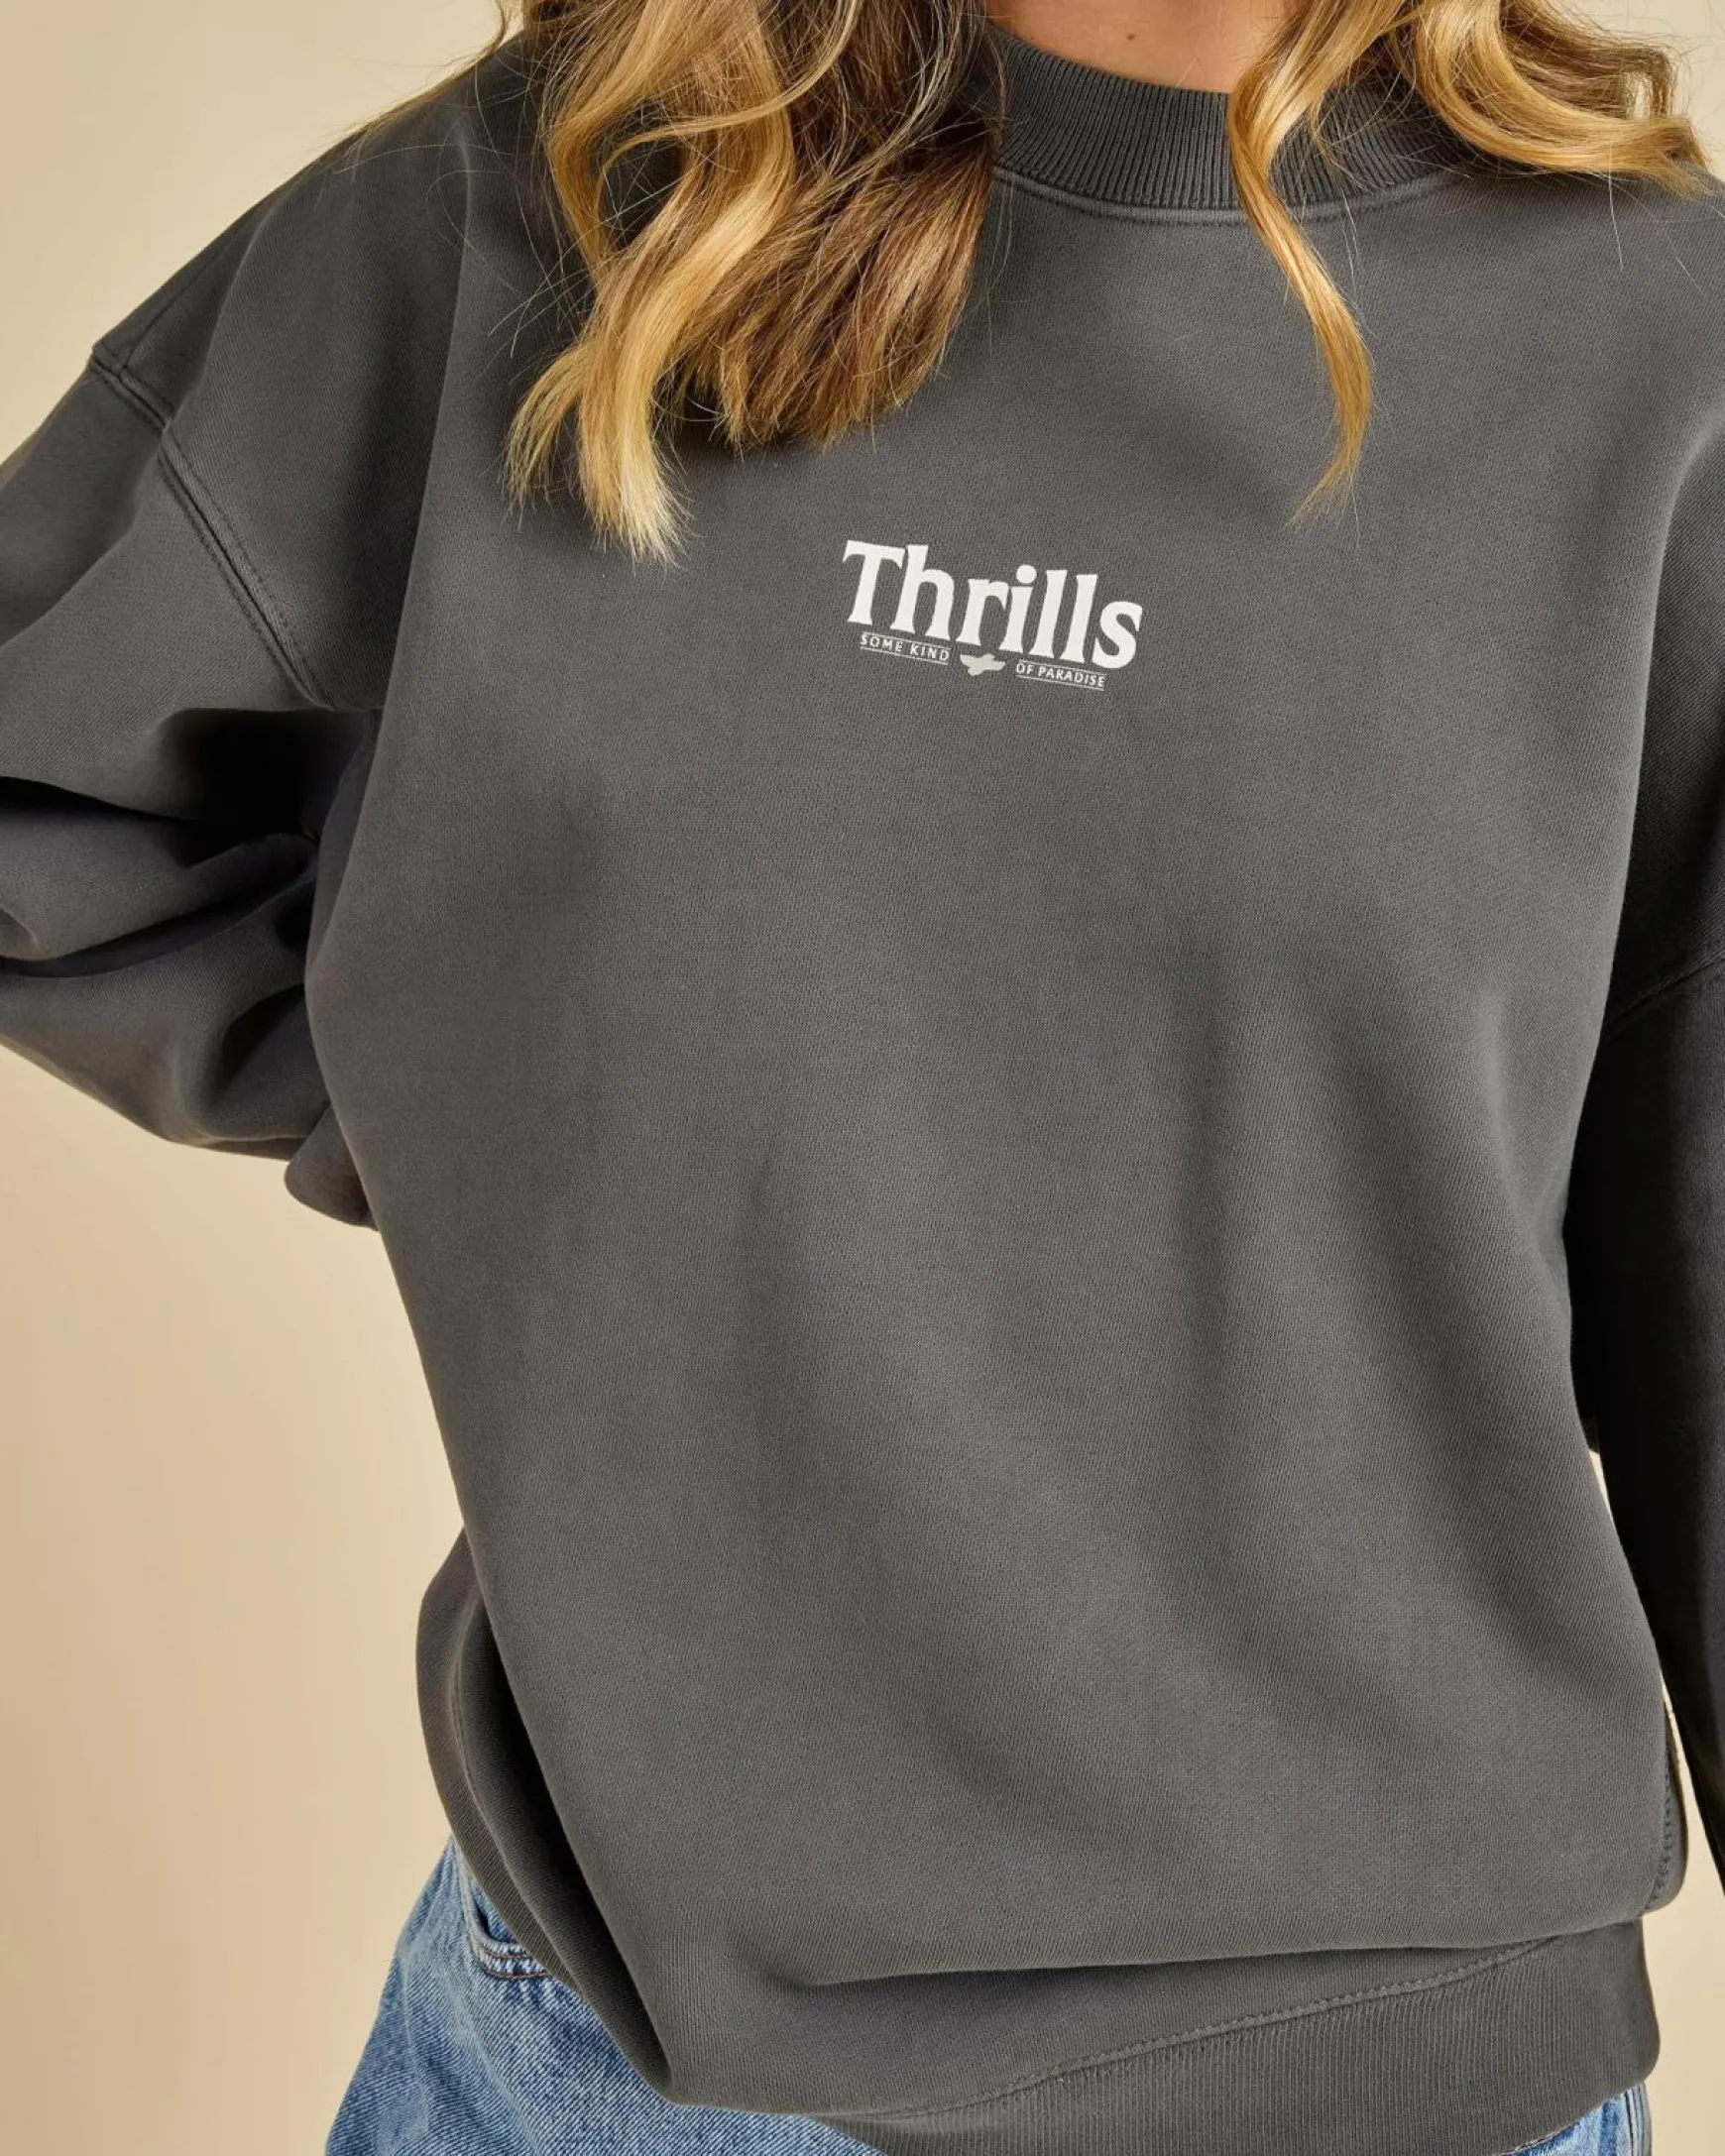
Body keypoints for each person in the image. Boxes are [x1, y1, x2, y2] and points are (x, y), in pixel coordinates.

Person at [4, 0, 1722, 2144]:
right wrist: (541, 1111)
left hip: (1420, 2089)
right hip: (613, 2076)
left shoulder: (1653, 346)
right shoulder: (546, 218)